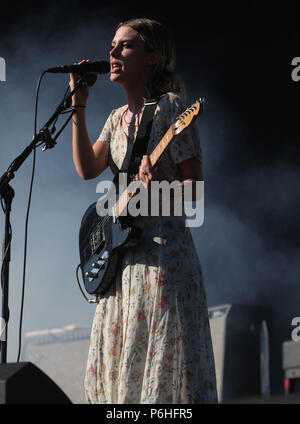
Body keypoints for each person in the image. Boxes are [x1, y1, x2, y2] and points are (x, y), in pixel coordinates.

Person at [70, 18, 218, 404]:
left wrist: (155, 193)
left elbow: (195, 190)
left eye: (126, 46)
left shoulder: (172, 110)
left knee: (160, 382)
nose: (113, 53)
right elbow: (87, 169)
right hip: (122, 267)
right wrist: (79, 107)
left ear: (152, 57)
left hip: (164, 262)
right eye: (113, 45)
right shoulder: (115, 120)